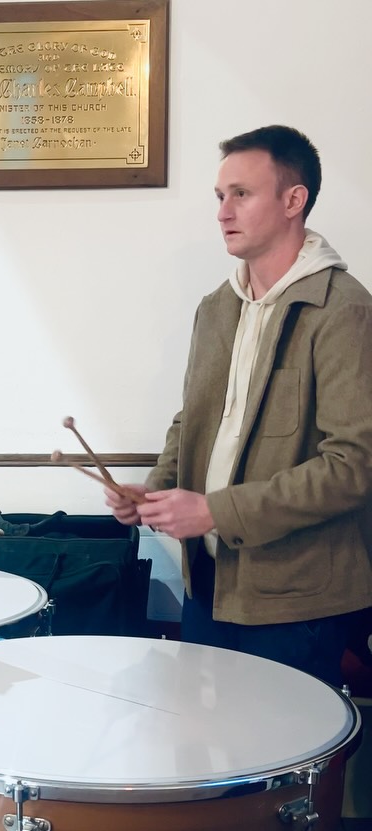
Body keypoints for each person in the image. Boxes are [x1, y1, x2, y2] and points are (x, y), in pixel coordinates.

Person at [106, 124, 372, 686]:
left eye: (242, 194)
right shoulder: (217, 307)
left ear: (294, 200)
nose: (223, 211)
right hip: (209, 585)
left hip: (297, 604)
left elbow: (353, 467)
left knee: (279, 768)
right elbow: (193, 418)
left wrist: (214, 512)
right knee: (207, 759)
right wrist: (152, 490)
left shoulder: (344, 310)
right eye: (220, 197)